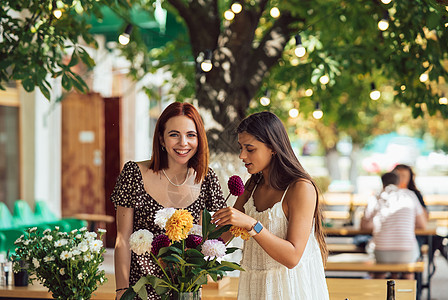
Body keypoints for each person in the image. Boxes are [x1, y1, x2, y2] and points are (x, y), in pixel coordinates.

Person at [111, 102, 226, 299]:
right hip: (140, 292)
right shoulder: (134, 173)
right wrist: (122, 292)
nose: (183, 143)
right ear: (161, 139)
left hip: (186, 293)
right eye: (174, 134)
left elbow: (223, 232)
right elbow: (122, 239)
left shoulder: (206, 178)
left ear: (199, 139)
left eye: (191, 135)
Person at [212, 111, 329, 299]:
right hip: (255, 287)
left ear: (273, 147)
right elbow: (221, 237)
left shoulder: (301, 188)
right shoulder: (252, 185)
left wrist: (251, 225)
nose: (242, 155)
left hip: (289, 290)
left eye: (250, 149)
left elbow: (292, 257)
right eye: (241, 147)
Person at [360, 172, 427, 279]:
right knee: (408, 271)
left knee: (379, 270)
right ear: (399, 183)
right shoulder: (410, 195)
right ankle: (409, 291)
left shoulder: (376, 197)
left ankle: (377, 291)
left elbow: (363, 226)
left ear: (382, 183)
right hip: (406, 251)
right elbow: (422, 225)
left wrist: (382, 225)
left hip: (381, 251)